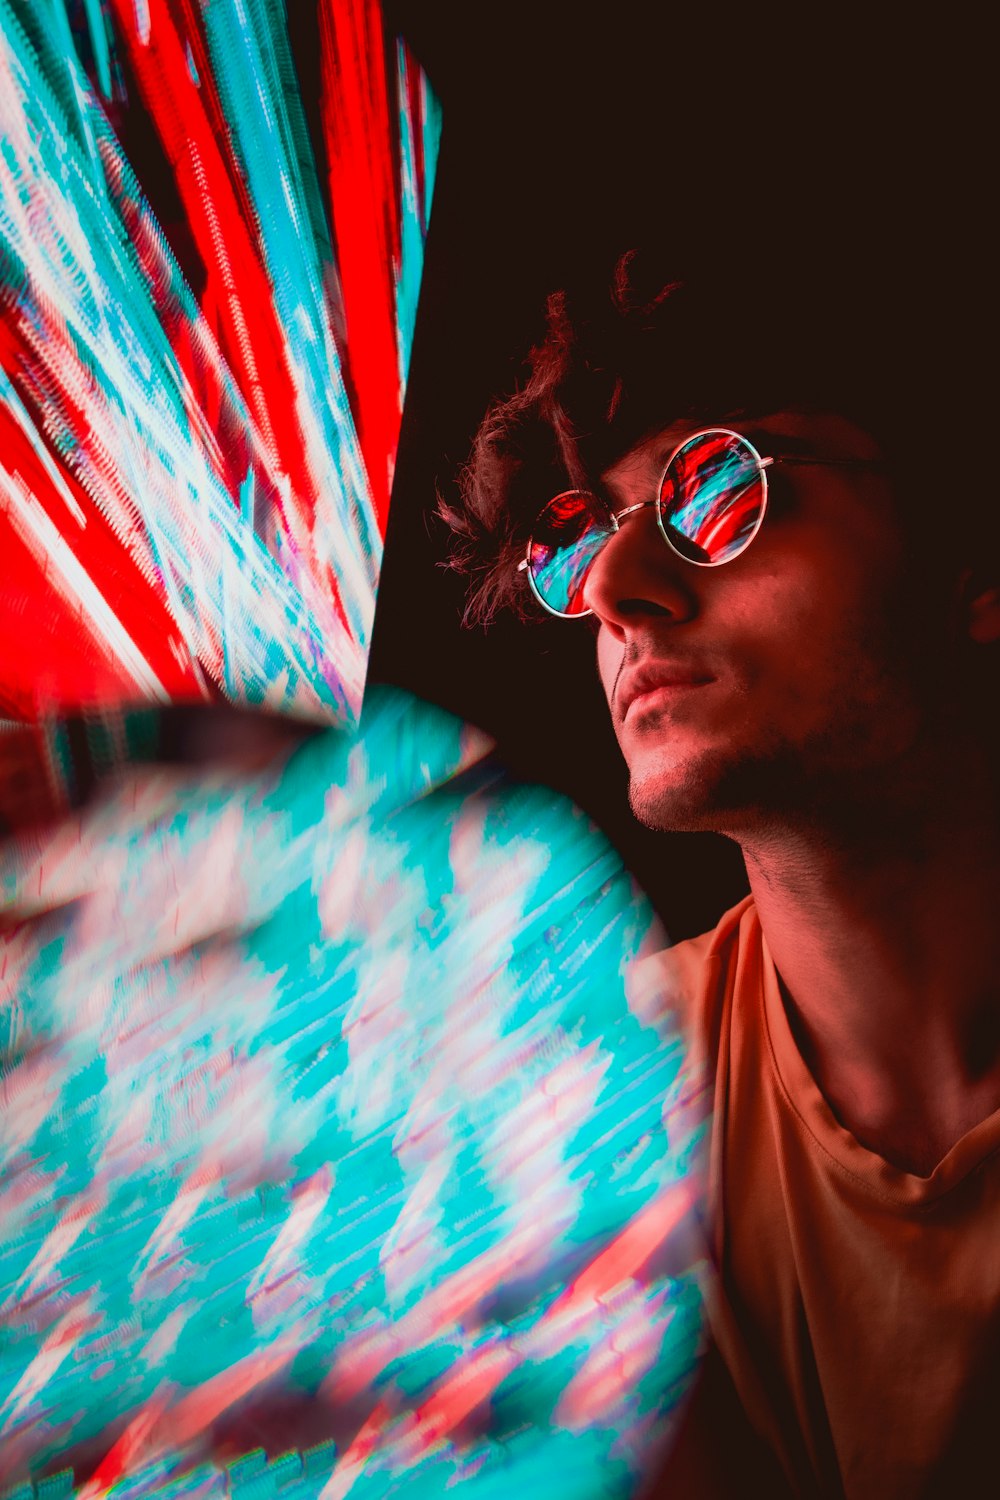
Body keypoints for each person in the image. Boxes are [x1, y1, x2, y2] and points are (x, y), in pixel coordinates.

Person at [441, 246, 1000, 1498]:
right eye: (576, 544)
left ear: (974, 571)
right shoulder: (583, 1119)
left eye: (714, 493)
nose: (614, 592)